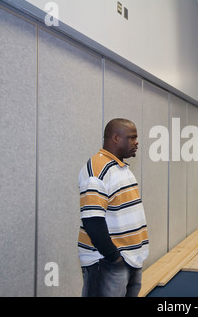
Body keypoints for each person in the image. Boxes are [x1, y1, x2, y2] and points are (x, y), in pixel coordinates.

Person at [78, 118, 149, 297]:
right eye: (132, 138)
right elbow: (92, 221)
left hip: (129, 259)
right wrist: (114, 258)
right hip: (107, 262)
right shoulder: (97, 170)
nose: (136, 142)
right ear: (116, 138)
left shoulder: (120, 168)